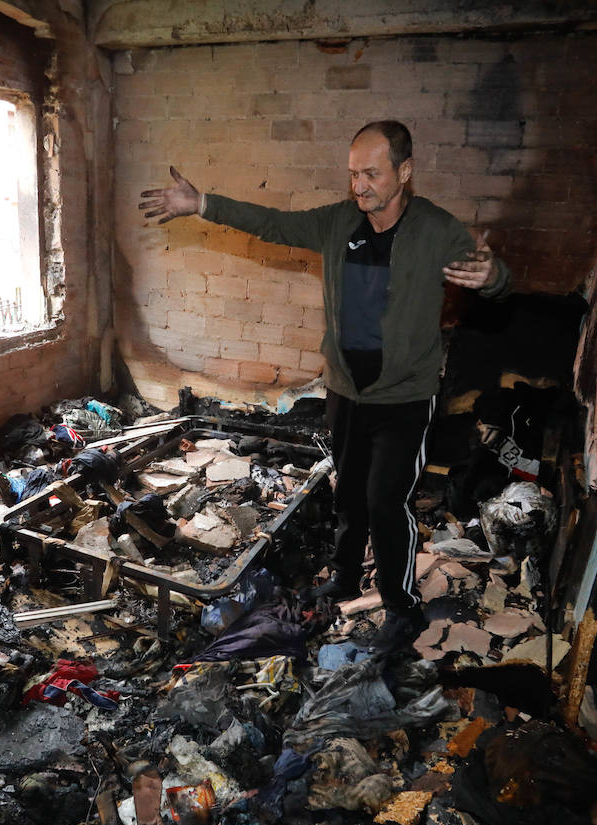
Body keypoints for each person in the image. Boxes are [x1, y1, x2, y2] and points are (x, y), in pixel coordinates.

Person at [139, 120, 510, 656]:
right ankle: (342, 576)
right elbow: (273, 223)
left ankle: (401, 607)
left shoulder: (435, 228)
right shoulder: (339, 222)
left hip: (404, 398)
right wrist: (202, 203)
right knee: (349, 496)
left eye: (372, 174)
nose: (359, 186)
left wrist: (493, 275)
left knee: (387, 504)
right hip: (345, 391)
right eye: (353, 174)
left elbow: (494, 277)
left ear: (404, 172)